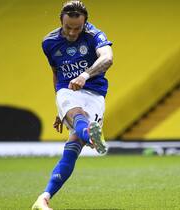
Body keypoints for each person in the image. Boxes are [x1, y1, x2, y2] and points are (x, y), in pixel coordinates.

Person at [32, 1, 113, 209]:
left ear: (85, 23)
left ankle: (43, 197)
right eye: (68, 27)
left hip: (95, 92)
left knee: (74, 145)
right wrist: (60, 109)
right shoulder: (49, 42)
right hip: (66, 89)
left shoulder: (94, 35)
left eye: (77, 28)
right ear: (61, 21)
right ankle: (95, 139)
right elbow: (56, 72)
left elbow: (108, 58)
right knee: (78, 115)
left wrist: (85, 75)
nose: (72, 33)